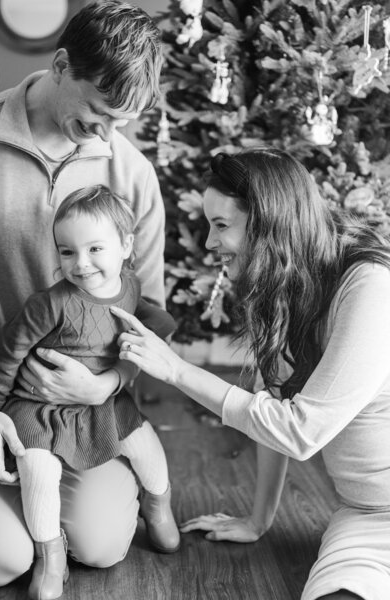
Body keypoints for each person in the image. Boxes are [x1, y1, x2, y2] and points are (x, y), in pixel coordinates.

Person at [113, 147, 390, 600]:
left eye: (221, 225)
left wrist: (178, 371)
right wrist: (258, 520)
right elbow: (272, 403)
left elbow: (301, 431)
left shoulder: (370, 288)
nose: (207, 242)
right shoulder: (283, 284)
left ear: (268, 223)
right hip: (363, 514)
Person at [0, 0, 167, 589]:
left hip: (90, 413)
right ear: (62, 65)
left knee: (98, 547)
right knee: (4, 560)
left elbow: (149, 318)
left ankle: (118, 498)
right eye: (98, 113)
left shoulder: (132, 174)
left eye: (124, 121)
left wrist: (108, 384)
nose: (109, 137)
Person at [0, 185, 180, 599]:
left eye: (95, 249)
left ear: (126, 245)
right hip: (38, 407)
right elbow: (9, 353)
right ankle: (50, 557)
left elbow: (148, 323)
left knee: (146, 447)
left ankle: (158, 505)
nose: (81, 264)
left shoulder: (128, 286)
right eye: (67, 251)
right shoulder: (49, 304)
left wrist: (159, 333)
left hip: (102, 403)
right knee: (37, 470)